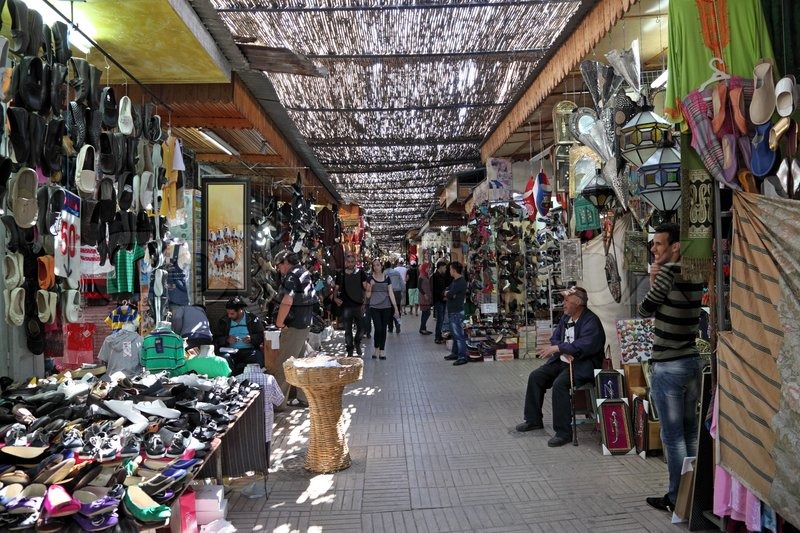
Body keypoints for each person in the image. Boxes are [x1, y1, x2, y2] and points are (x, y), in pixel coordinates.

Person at [638, 223, 704, 513]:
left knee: (673, 436)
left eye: (659, 244)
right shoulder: (695, 273)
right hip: (691, 362)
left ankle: (677, 498)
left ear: (676, 246)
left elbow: (644, 309)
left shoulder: (667, 273)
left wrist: (654, 278)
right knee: (690, 432)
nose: (653, 249)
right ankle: (693, 494)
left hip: (669, 364)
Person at [515, 286, 606, 447]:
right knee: (536, 377)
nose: (563, 303)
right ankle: (533, 420)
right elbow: (555, 339)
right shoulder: (566, 318)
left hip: (583, 364)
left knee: (559, 385)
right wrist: (563, 349)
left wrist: (562, 348)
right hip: (562, 360)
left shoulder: (591, 321)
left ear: (577, 303)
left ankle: (564, 432)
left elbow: (586, 345)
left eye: (566, 300)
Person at [273, 250, 315, 407]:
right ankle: (304, 398)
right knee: (301, 364)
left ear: (285, 262)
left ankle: (277, 403)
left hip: (294, 327)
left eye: (278, 266)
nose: (278, 270)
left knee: (284, 366)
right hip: (305, 324)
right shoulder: (303, 272)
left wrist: (279, 323)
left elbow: (287, 300)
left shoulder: (292, 276)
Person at [236, 362, 284, 466]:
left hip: (245, 420)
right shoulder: (269, 378)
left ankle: (247, 466)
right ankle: (264, 467)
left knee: (246, 442)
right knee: (265, 441)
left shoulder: (237, 379)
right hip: (265, 419)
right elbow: (279, 400)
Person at [214, 296, 266, 375]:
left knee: (257, 357)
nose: (229, 316)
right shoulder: (223, 321)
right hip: (230, 352)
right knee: (223, 359)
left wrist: (251, 338)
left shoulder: (253, 319)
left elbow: (262, 335)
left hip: (249, 351)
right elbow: (216, 339)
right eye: (228, 313)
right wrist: (227, 339)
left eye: (232, 314)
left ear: (240, 311)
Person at [333, 253, 369, 357]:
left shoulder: (361, 273)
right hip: (346, 306)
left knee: (362, 328)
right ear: (345, 262)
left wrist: (365, 302)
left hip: (358, 306)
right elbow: (336, 288)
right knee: (347, 330)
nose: (350, 264)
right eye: (348, 262)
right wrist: (335, 298)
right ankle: (350, 349)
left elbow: (365, 288)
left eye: (352, 262)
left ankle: (357, 342)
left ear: (355, 262)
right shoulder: (341, 274)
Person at [365, 259, 400, 360]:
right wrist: (371, 286)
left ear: (381, 266)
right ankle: (376, 347)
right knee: (378, 328)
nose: (376, 267)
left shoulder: (387, 278)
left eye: (378, 265)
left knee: (384, 328)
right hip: (374, 307)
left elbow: (391, 293)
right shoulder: (370, 278)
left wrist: (396, 308)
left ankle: (382, 350)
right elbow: (368, 295)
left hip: (386, 307)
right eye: (374, 265)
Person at [443, 261, 468, 366]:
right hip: (453, 311)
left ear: (454, 270)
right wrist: (448, 293)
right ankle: (455, 353)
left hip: (456, 312)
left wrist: (449, 294)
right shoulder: (455, 281)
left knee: (458, 335)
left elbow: (450, 293)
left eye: (450, 269)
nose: (449, 271)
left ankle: (462, 356)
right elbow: (447, 291)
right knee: (454, 334)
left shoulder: (460, 282)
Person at [431, 261, 449, 344]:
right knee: (440, 319)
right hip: (438, 301)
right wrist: (442, 297)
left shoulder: (442, 276)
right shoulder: (435, 277)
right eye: (444, 267)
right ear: (441, 267)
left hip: (442, 300)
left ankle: (439, 335)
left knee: (441, 319)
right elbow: (435, 290)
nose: (445, 269)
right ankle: (437, 337)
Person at [384, 261, 404, 333]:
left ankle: (390, 328)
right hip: (397, 293)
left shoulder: (384, 273)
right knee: (397, 308)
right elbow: (402, 283)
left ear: (385, 266)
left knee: (389, 310)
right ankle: (398, 325)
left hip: (388, 293)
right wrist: (402, 291)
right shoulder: (396, 272)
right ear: (390, 265)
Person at [418, 262, 433, 335]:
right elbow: (419, 287)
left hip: (427, 297)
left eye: (429, 268)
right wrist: (424, 295)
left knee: (426, 313)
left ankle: (423, 328)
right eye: (427, 268)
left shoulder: (426, 275)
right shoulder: (421, 276)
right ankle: (422, 328)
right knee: (426, 313)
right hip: (423, 297)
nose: (428, 269)